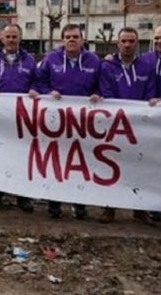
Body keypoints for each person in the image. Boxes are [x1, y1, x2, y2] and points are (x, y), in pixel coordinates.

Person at [36, 23, 102, 220]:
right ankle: (54, 203)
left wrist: (98, 95)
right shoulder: (52, 59)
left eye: (75, 36)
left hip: (84, 121)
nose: (71, 40)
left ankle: (79, 203)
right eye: (68, 37)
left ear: (82, 39)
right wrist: (48, 92)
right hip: (57, 120)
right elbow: (39, 82)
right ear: (62, 40)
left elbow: (103, 85)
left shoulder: (94, 61)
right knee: (56, 162)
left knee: (80, 163)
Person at [98, 27, 156, 224]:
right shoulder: (107, 67)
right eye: (124, 41)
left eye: (131, 41)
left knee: (138, 166)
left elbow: (150, 93)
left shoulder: (147, 67)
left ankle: (139, 208)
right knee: (111, 166)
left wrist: (142, 113)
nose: (127, 45)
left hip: (139, 126)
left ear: (137, 44)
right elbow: (106, 93)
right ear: (118, 44)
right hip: (114, 124)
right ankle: (109, 206)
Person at [0, 24, 39, 212]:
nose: (12, 40)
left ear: (20, 39)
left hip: (23, 116)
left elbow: (37, 81)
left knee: (22, 157)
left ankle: (23, 197)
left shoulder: (30, 60)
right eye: (8, 37)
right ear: (2, 39)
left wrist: (34, 89)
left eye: (15, 36)